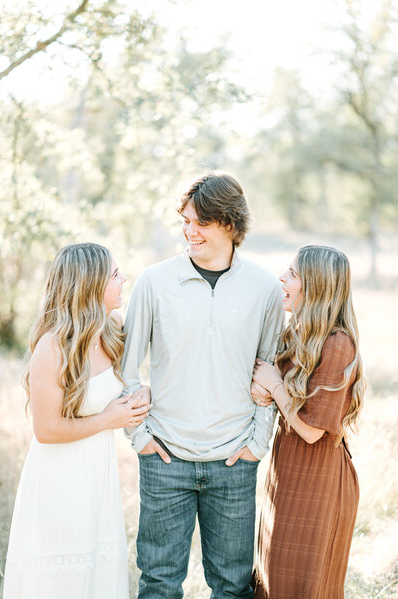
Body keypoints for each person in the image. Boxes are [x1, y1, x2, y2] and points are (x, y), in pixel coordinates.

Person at [121, 171, 285, 598]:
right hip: (165, 457)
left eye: (201, 223)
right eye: (186, 221)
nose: (189, 232)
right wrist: (138, 435)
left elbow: (267, 372)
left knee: (232, 587)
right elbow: (126, 368)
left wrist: (257, 444)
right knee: (158, 583)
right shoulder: (153, 282)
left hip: (234, 459)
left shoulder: (265, 289)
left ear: (230, 224)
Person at [3, 242, 151, 599]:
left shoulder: (112, 329)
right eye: (115, 275)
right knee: (62, 578)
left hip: (97, 476)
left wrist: (141, 393)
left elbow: (122, 386)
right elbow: (46, 429)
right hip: (59, 478)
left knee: (97, 575)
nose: (123, 279)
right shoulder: (53, 346)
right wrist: (109, 418)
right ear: (90, 284)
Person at [250, 244, 365, 599]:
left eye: (293, 274)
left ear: (315, 286)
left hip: (319, 479)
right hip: (287, 472)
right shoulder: (296, 334)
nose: (282, 279)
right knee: (271, 580)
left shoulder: (337, 344)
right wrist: (267, 388)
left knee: (303, 586)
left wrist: (274, 387)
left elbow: (312, 431)